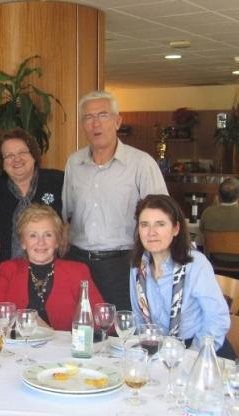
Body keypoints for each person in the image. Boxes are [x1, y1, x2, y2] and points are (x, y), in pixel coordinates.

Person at [62, 90, 168, 311]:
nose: (95, 124)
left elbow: (162, 218)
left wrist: (158, 264)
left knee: (121, 326)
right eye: (88, 117)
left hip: (123, 264)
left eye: (103, 115)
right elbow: (67, 213)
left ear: (118, 121)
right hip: (78, 262)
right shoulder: (74, 163)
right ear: (82, 125)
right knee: (79, 325)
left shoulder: (141, 163)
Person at [130, 194, 233, 359]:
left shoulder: (196, 264)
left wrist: (192, 356)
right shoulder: (137, 267)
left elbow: (217, 319)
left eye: (160, 224)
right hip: (159, 351)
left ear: (176, 229)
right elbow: (138, 318)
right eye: (144, 225)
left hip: (200, 350)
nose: (151, 232)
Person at [0, 204, 103, 330]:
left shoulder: (77, 272)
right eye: (33, 235)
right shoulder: (10, 270)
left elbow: (101, 321)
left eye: (48, 235)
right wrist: (27, 321)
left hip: (66, 343)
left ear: (57, 242)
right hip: (20, 342)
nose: (41, 242)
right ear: (23, 243)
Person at [0, 127, 64, 263]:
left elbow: (76, 212)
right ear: (2, 163)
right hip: (7, 268)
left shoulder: (58, 181)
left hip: (54, 267)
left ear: (33, 155)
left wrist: (68, 226)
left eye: (22, 152)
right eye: (9, 155)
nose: (17, 159)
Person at [200, 177, 239, 265]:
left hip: (215, 261)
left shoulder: (207, 213)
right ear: (237, 197)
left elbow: (201, 231)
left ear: (219, 196)